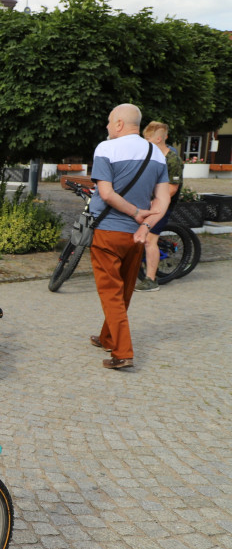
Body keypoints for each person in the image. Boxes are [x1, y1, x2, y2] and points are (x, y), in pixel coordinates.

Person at [87, 103, 169, 369]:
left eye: (110, 122)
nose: (107, 127)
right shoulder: (156, 153)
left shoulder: (106, 148)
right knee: (123, 291)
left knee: (111, 293)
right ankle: (107, 336)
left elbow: (107, 194)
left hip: (108, 232)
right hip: (136, 237)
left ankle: (122, 352)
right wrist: (145, 225)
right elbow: (163, 199)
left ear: (120, 123)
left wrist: (135, 213)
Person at [136, 121, 184, 292]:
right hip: (146, 202)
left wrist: (154, 204)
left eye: (147, 139)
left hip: (162, 204)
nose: (145, 142)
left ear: (157, 139)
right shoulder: (151, 157)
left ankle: (151, 280)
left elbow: (171, 189)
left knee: (150, 240)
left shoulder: (172, 160)